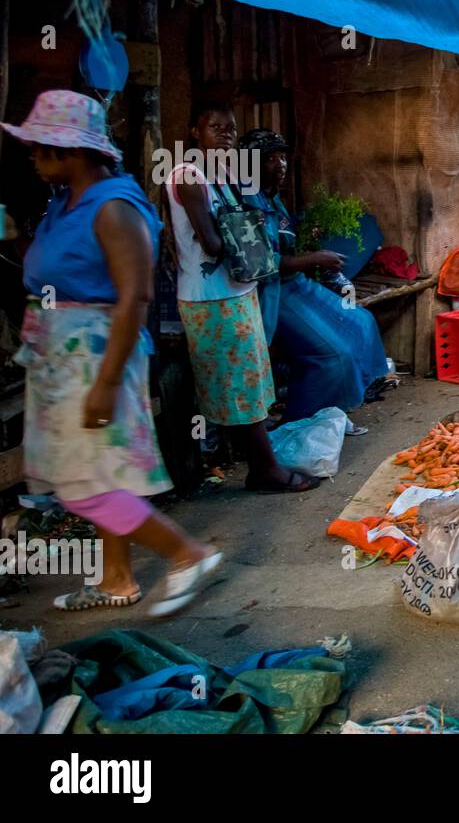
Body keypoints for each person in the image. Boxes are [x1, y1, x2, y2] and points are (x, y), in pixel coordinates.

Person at [3, 90, 221, 614]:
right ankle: (116, 580)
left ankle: (187, 554)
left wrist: (104, 382)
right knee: (94, 472)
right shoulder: (66, 203)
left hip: (94, 357)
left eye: (41, 149)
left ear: (75, 153)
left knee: (83, 485)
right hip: (61, 355)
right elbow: (48, 274)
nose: (33, 159)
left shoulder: (115, 206)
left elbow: (135, 297)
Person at [165, 100, 319, 493]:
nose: (226, 134)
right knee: (239, 384)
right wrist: (249, 238)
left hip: (238, 290)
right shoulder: (187, 176)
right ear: (194, 132)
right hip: (211, 298)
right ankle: (264, 469)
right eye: (214, 126)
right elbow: (214, 244)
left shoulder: (226, 173)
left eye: (231, 128)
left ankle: (255, 463)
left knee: (246, 381)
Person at [239, 129, 390, 422]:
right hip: (273, 293)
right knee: (335, 355)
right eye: (271, 159)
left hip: (297, 283)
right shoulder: (246, 203)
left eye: (283, 158)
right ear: (251, 163)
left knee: (361, 321)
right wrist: (316, 258)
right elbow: (263, 264)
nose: (281, 165)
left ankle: (341, 406)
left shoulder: (272, 198)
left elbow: (286, 235)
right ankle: (304, 421)